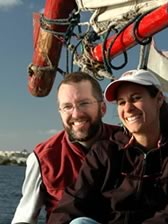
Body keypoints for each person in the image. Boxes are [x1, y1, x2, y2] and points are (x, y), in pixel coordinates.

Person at [47, 69, 168, 224]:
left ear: (159, 99)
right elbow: (74, 201)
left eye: (135, 98)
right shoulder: (104, 153)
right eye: (121, 102)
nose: (128, 108)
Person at [12, 71, 120, 224]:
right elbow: (25, 217)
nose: (76, 114)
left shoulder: (126, 143)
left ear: (102, 108)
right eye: (67, 107)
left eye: (84, 103)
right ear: (60, 113)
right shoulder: (43, 158)